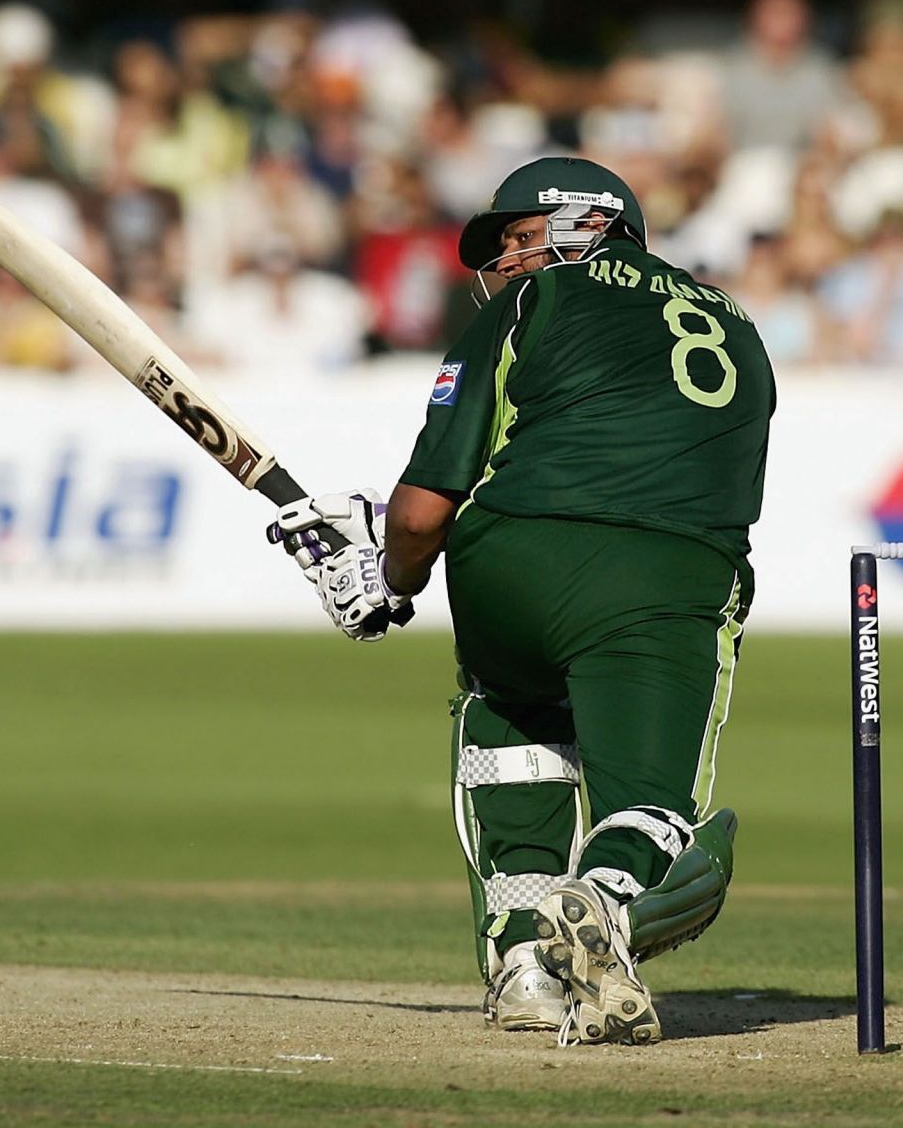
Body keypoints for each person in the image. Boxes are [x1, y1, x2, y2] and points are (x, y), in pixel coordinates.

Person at [272, 156, 775, 1045]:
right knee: (654, 812)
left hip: (511, 561)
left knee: (510, 707)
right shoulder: (739, 326)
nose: (501, 263)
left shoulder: (533, 304)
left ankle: (519, 963)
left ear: (586, 225)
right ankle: (605, 901)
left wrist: (380, 577)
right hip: (671, 582)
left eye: (518, 238)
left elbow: (427, 510)